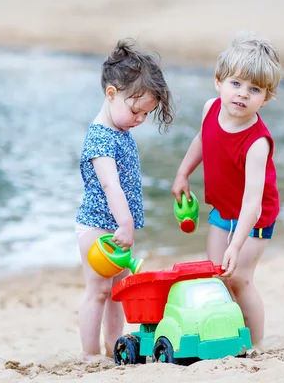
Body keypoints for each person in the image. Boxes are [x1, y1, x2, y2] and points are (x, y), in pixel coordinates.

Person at [171, 32, 281, 347]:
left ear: (266, 97)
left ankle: (256, 345)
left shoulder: (257, 142)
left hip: (255, 219)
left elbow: (253, 205)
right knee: (217, 276)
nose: (242, 94)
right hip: (222, 209)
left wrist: (237, 244)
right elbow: (202, 141)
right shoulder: (211, 108)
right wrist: (182, 173)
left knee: (240, 279)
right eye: (236, 84)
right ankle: (226, 333)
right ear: (219, 81)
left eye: (254, 89)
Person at [75, 37, 175, 362]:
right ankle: (90, 354)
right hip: (97, 227)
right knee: (99, 291)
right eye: (136, 111)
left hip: (118, 227)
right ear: (111, 93)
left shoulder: (119, 129)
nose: (139, 119)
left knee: (118, 293)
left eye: (146, 114)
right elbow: (110, 185)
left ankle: (112, 347)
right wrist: (126, 222)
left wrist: (124, 225)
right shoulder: (100, 137)